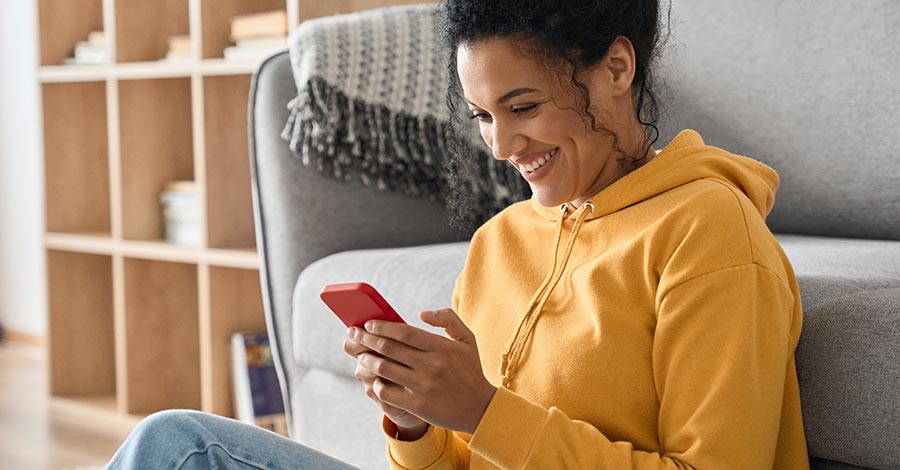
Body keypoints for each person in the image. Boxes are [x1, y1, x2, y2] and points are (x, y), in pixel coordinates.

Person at [107, 0, 809, 468]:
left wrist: (484, 410)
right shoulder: (500, 242)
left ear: (616, 69)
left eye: (523, 106)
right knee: (175, 443)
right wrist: (413, 421)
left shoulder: (709, 235)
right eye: (480, 116)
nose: (501, 146)